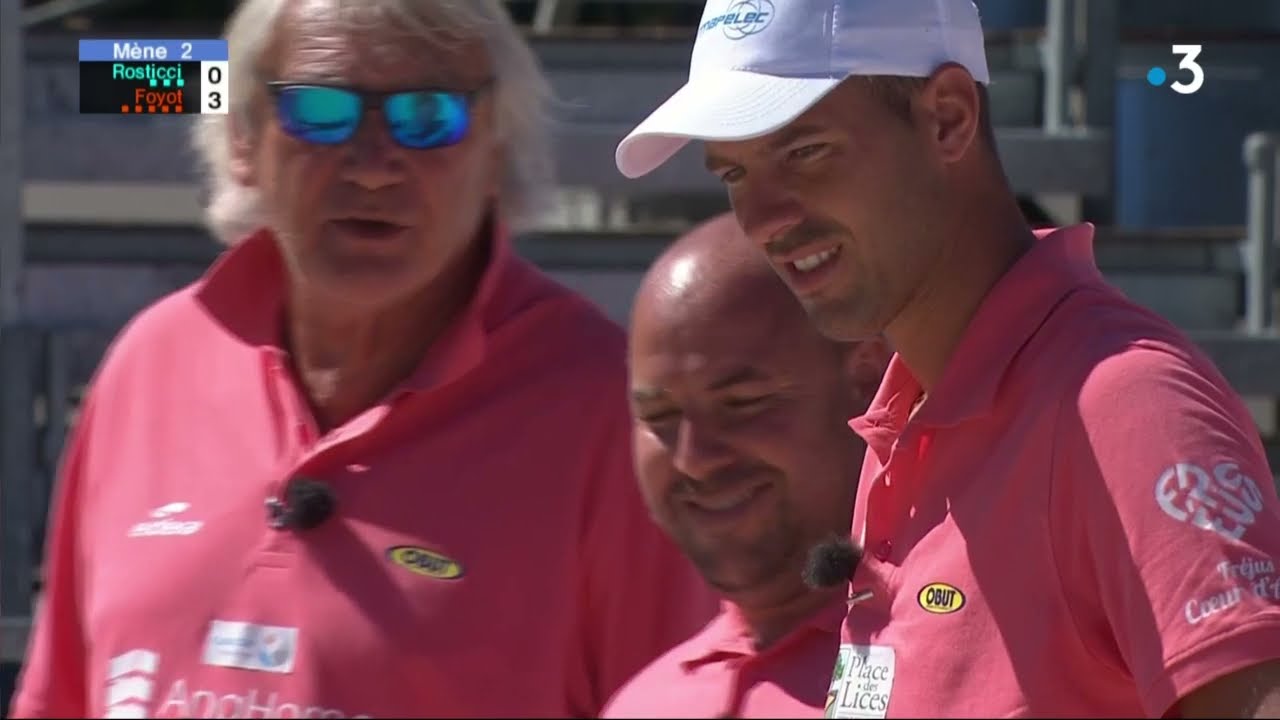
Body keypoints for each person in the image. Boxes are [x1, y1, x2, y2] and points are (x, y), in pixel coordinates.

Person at [9, 0, 718, 717]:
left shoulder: (603, 415)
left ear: (497, 151)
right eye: (321, 112)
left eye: (428, 116)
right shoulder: (150, 367)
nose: (375, 168)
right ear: (244, 139)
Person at [613, 0, 1280, 717]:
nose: (765, 219)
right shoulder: (906, 427)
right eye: (734, 173)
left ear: (949, 118)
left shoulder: (1125, 405)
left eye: (804, 152)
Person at [603, 213, 889, 718]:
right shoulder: (642, 705)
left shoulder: (963, 662)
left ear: (869, 377)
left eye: (742, 403)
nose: (695, 460)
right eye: (660, 416)